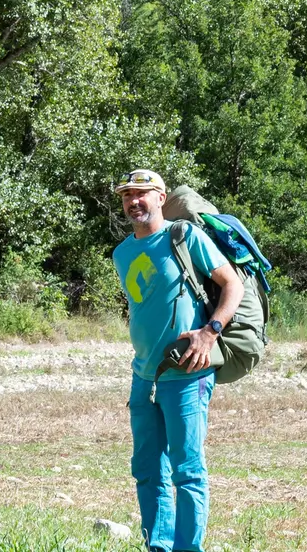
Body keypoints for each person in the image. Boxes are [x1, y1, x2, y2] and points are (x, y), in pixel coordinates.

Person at [111, 168, 243, 552]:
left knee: (187, 472)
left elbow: (232, 284)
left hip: (187, 373)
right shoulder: (122, 253)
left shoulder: (183, 236)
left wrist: (210, 331)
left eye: (142, 193)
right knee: (148, 471)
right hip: (144, 376)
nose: (134, 201)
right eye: (127, 195)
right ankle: (159, 545)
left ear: (161, 197)